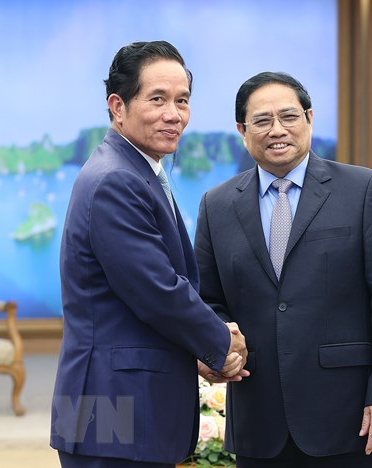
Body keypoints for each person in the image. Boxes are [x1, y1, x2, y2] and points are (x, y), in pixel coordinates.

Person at [194, 71, 372, 467]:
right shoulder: (217, 205)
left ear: (309, 119)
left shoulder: (363, 190)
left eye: (289, 116)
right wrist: (220, 345)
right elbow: (207, 300)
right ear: (242, 131)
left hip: (350, 417)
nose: (277, 130)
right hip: (259, 419)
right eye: (262, 120)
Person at [50, 40, 247, 468]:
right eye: (157, 99)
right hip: (111, 408)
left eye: (182, 100)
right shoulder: (116, 180)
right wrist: (220, 343)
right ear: (117, 106)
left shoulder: (134, 169)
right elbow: (157, 290)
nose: (173, 114)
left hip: (115, 405)